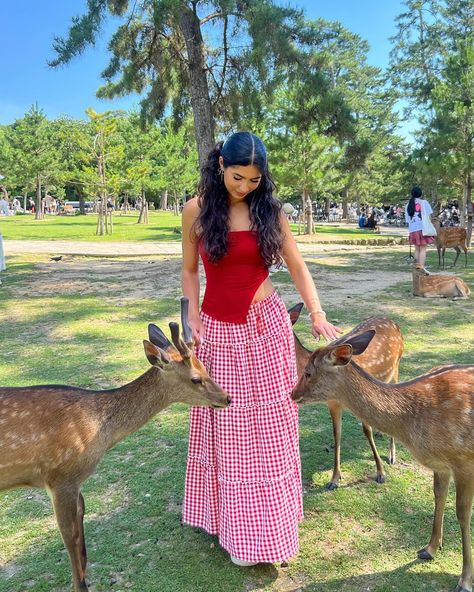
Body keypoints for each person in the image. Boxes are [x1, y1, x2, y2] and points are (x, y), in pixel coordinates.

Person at [181, 131, 341, 567]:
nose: (244, 187)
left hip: (267, 327)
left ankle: (272, 531)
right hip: (219, 331)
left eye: (253, 180)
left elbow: (296, 264)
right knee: (231, 431)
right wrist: (191, 317)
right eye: (237, 178)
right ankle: (236, 531)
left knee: (271, 431)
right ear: (220, 166)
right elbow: (191, 272)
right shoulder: (196, 210)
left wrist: (316, 312)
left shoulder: (269, 212)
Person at [404, 186, 435, 268]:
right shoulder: (424, 203)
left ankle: (416, 266)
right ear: (420, 194)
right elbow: (429, 216)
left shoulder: (407, 205)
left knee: (417, 248)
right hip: (423, 229)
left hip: (413, 230)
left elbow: (407, 220)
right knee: (423, 249)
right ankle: (421, 266)